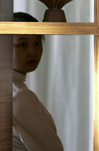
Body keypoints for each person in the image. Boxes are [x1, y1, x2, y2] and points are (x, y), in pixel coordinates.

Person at [13, 12, 63, 151]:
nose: (32, 52)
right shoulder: (19, 96)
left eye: (37, 43)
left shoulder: (7, 87)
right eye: (23, 44)